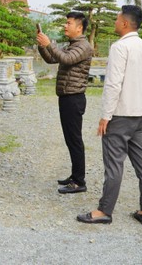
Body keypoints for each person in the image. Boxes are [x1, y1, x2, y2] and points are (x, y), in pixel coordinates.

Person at [76, 5, 142, 226]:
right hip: (140, 114)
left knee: (113, 164)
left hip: (120, 115)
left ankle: (104, 210)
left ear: (125, 23)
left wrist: (105, 115)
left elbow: (113, 84)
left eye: (117, 18)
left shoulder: (120, 48)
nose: (114, 22)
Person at [36, 12, 93, 194]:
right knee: (70, 139)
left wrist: (49, 44)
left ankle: (79, 181)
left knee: (74, 139)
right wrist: (42, 46)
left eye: (68, 23)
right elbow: (52, 58)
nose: (65, 26)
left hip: (74, 98)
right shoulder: (73, 45)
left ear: (79, 27)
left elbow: (66, 59)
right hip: (67, 96)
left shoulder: (83, 46)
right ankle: (75, 175)